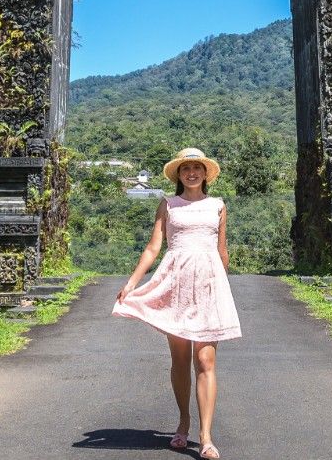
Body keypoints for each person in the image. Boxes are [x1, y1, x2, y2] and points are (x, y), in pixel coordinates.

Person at [112, 147, 241, 459]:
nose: (192, 173)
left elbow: (222, 252)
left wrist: (222, 288)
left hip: (209, 287)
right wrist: (132, 283)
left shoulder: (218, 206)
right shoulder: (168, 204)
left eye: (197, 168)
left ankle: (206, 436)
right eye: (186, 169)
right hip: (177, 287)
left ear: (205, 173)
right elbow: (153, 247)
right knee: (181, 360)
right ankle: (183, 422)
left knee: (206, 361)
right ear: (179, 175)